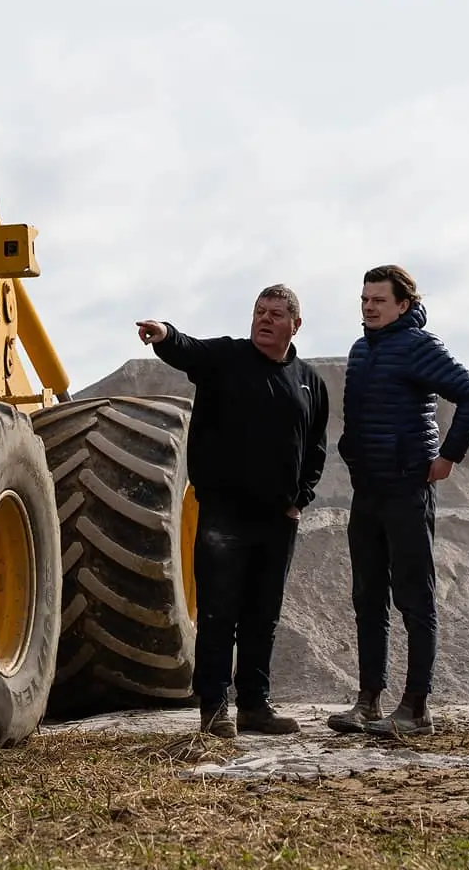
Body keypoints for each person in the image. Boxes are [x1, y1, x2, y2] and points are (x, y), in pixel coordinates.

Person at [136, 285, 330, 739]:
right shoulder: (227, 359)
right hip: (225, 515)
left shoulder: (309, 382)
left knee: (263, 614)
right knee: (220, 613)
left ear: (295, 325)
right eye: (259, 311)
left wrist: (300, 500)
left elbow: (316, 447)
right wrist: (164, 334)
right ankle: (214, 708)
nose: (265, 319)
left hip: (279, 518)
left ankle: (255, 706)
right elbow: (189, 351)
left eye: (276, 314)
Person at [329, 265, 469, 738]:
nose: (369, 307)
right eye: (364, 299)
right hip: (368, 491)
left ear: (403, 304)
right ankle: (368, 702)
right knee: (367, 598)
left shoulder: (420, 346)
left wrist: (448, 456)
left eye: (378, 300)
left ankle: (416, 708)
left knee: (414, 600)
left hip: (407, 489)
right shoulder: (361, 350)